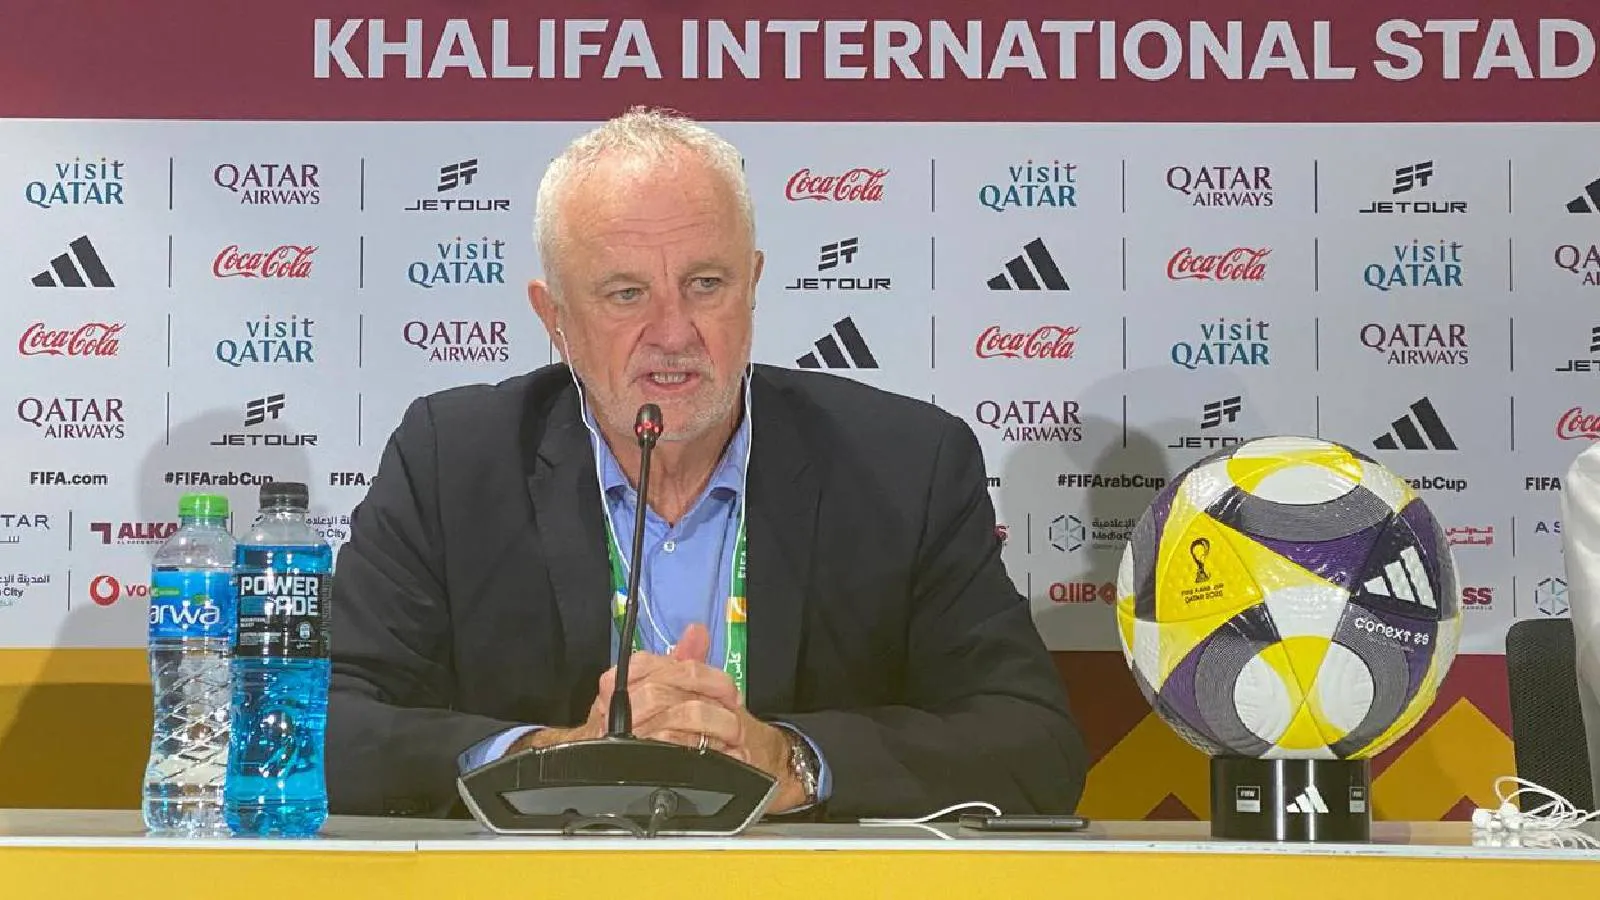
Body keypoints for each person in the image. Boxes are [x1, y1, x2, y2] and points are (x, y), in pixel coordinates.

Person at [326, 107, 1087, 820]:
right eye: (626, 293)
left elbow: (1034, 744)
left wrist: (789, 760)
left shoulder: (905, 466)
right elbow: (327, 720)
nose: (673, 331)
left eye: (705, 284)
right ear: (553, 317)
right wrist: (546, 762)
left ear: (752, 285)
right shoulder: (452, 462)